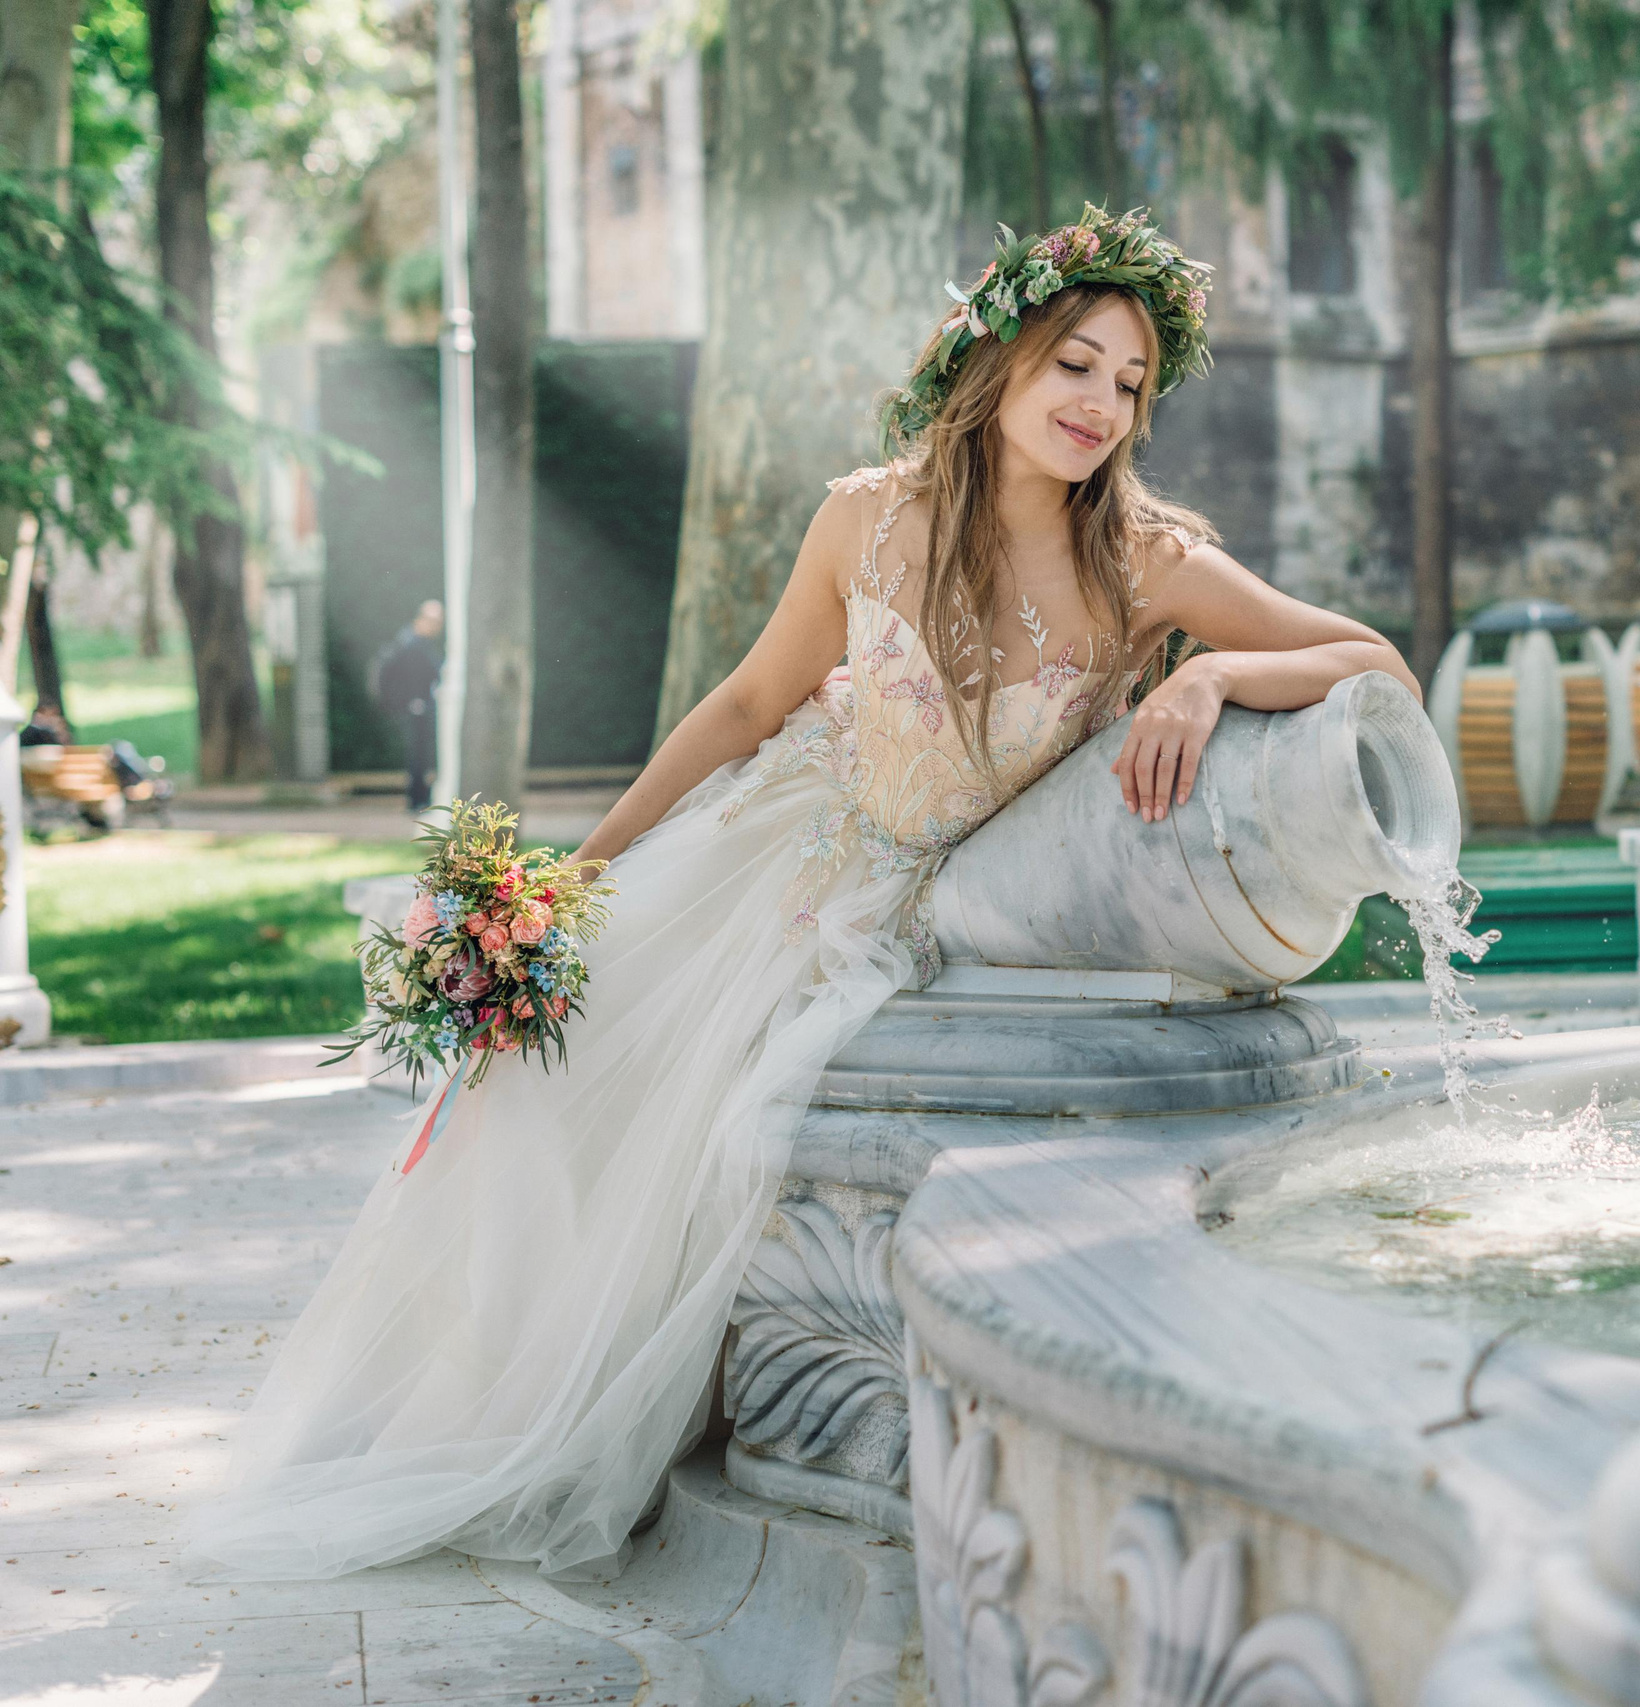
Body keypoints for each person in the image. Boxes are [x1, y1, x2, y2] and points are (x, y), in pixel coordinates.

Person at [185, 207, 1418, 1583]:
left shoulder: (1146, 565)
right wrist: (580, 872)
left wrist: (1208, 672)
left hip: (901, 906)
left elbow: (1377, 663)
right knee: (549, 1070)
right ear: (998, 358)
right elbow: (749, 703)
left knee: (733, 1136)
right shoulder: (863, 516)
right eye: (1077, 363)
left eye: (1131, 385)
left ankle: (684, 1410)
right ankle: (471, 1397)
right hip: (770, 846)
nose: (1102, 405)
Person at [371, 600, 445, 810]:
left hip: (419, 705)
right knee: (418, 754)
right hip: (415, 707)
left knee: (421, 753)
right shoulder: (410, 644)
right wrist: (408, 701)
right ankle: (418, 799)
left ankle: (420, 798)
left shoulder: (418, 643)